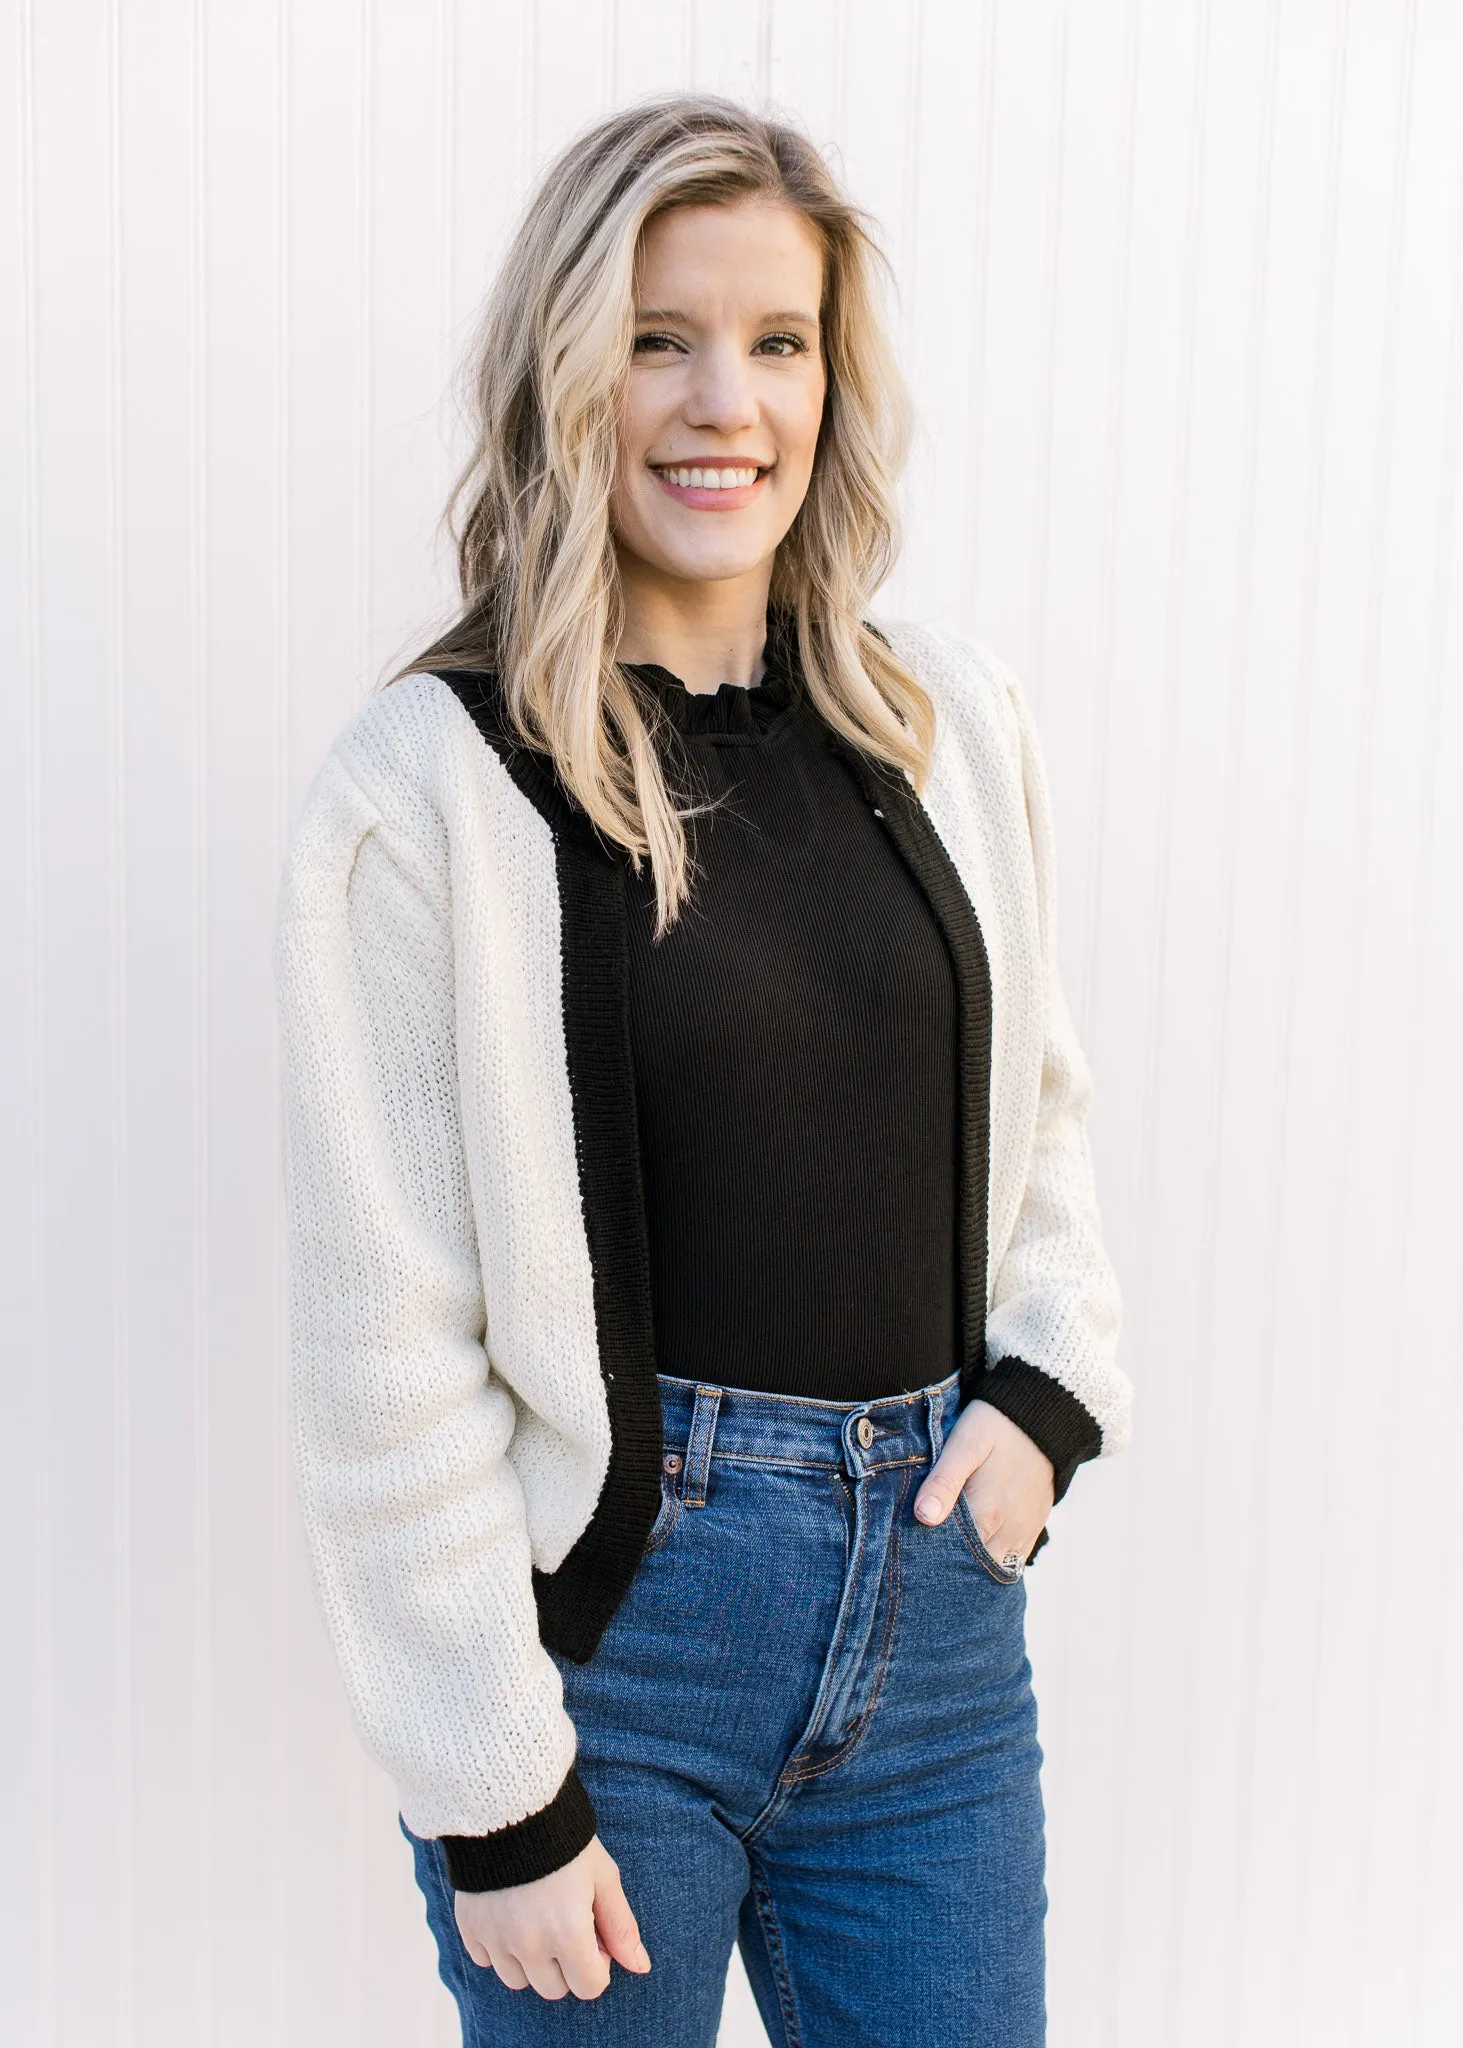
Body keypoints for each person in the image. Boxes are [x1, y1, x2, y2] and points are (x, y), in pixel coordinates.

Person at [276, 90, 1132, 2048]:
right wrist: (499, 1797)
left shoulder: (943, 727)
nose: (716, 400)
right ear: (568, 369)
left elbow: (1037, 1120)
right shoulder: (428, 795)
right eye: (656, 337)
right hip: (615, 1657)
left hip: (934, 1633)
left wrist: (1046, 1389)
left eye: (774, 341)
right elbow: (381, 1347)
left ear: (833, 381)